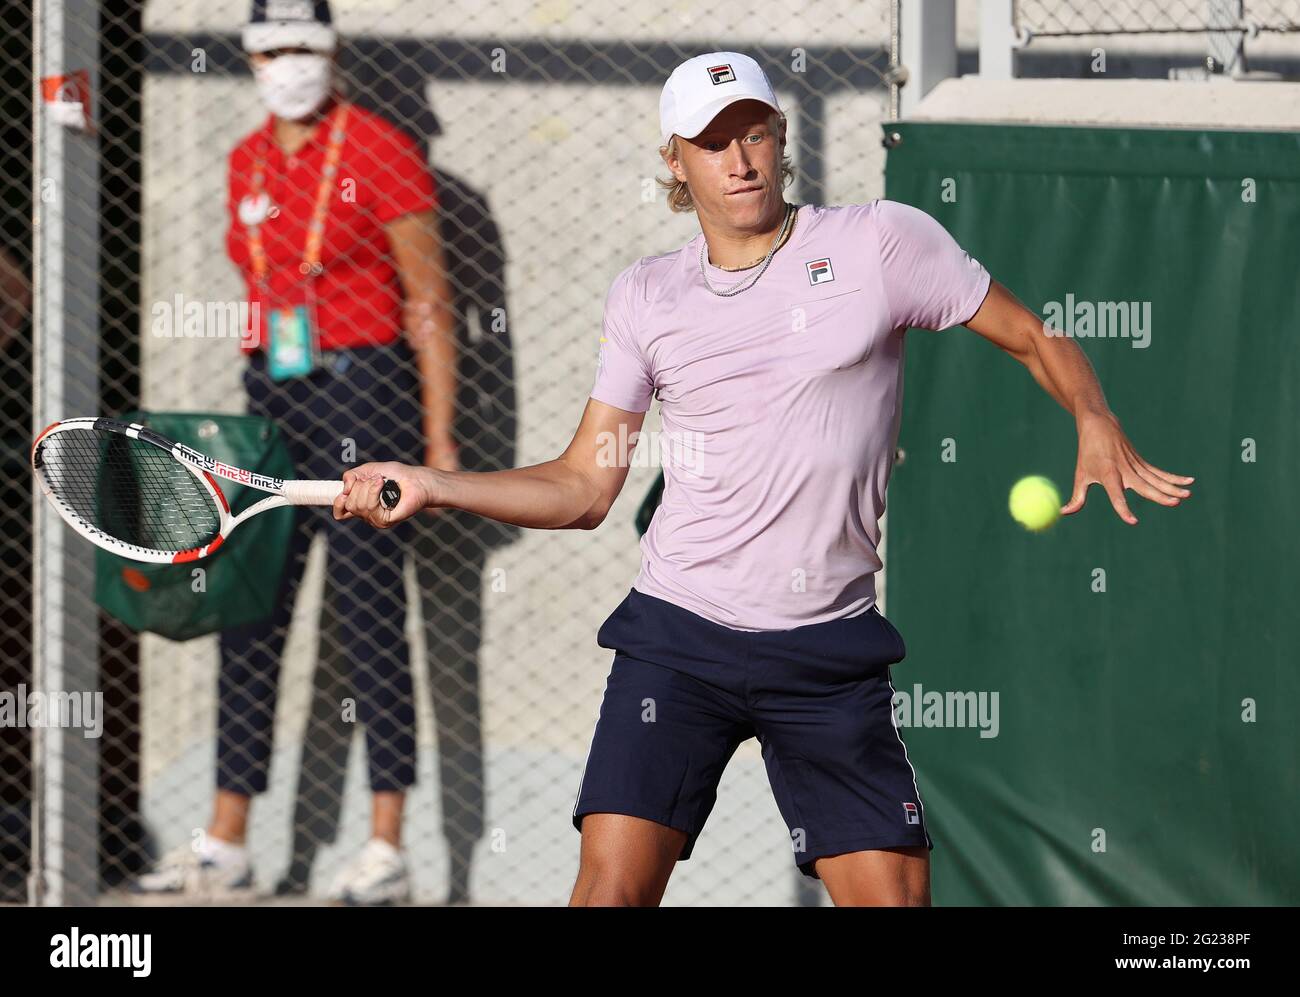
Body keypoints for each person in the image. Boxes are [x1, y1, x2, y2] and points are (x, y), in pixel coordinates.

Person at [333, 52, 1193, 906]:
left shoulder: (879, 244)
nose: (739, 161)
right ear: (675, 163)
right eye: (712, 144)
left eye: (753, 133)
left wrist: (1091, 415)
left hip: (826, 645)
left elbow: (1037, 337)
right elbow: (584, 487)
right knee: (608, 893)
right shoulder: (647, 296)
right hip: (680, 637)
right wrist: (437, 483)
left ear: (780, 137)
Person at [132, 0, 456, 904]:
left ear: (333, 51)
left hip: (366, 386)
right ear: (249, 58)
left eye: (303, 46)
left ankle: (386, 845)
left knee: (367, 616)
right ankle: (227, 838)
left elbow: (428, 300)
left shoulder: (382, 149)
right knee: (250, 612)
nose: (288, 63)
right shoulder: (245, 159)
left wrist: (435, 446)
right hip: (270, 395)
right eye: (270, 48)